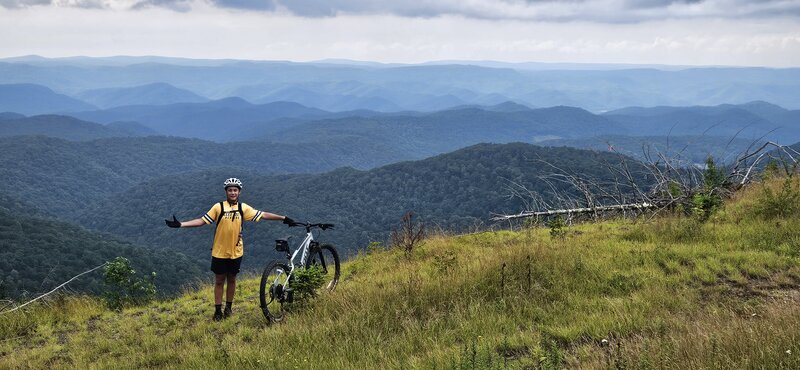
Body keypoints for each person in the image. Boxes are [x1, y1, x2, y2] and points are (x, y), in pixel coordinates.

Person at [165, 177, 294, 321]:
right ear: (226, 192)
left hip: (236, 251)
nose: (233, 193)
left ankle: (229, 308)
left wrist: (283, 218)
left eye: (235, 190)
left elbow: (263, 214)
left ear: (239, 192)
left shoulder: (242, 208)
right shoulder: (218, 207)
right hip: (219, 251)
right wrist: (181, 224)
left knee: (232, 279)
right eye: (230, 190)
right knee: (219, 280)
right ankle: (218, 311)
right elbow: (202, 221)